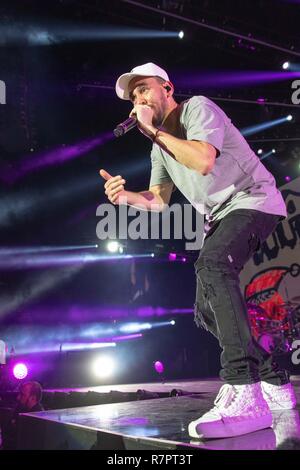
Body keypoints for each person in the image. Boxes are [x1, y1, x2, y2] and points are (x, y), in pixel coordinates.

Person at [100, 62, 297, 439]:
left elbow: (203, 161)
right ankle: (274, 378)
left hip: (252, 200)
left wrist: (152, 130)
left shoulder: (197, 108)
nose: (138, 98)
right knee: (206, 311)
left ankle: (244, 389)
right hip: (220, 216)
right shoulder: (159, 146)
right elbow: (158, 200)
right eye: (132, 95)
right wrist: (125, 196)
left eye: (143, 89)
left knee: (211, 264)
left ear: (167, 89)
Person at [0, 381, 43, 449]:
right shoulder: (20, 408)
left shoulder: (39, 418)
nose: (18, 397)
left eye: (22, 394)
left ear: (33, 398)